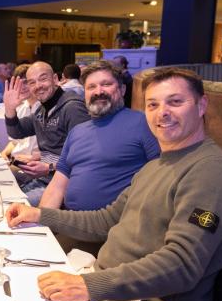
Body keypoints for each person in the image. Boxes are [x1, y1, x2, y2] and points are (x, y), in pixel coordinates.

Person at [6, 67, 222, 301]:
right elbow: (106, 219)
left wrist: (89, 285)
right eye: (153, 104)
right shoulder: (156, 166)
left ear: (202, 105)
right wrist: (41, 214)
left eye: (175, 102)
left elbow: (181, 265)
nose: (162, 112)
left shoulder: (212, 172)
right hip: (111, 291)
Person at [38, 61, 160, 252]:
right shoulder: (77, 132)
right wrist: (41, 228)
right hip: (71, 223)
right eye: (91, 87)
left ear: (122, 89)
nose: (98, 91)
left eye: (106, 84)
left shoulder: (144, 124)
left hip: (112, 234)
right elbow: (57, 187)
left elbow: (162, 179)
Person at [4, 61, 89, 206]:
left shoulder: (72, 108)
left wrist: (49, 168)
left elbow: (84, 157)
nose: (38, 86)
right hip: (44, 179)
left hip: (63, 185)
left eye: (43, 79)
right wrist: (10, 108)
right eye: (32, 82)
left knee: (11, 207)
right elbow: (16, 132)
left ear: (55, 79)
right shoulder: (42, 110)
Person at [0, 65, 40, 184]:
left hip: (34, 165)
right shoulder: (22, 108)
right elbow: (14, 142)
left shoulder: (45, 110)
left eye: (26, 82)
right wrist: (4, 153)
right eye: (18, 83)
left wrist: (36, 157)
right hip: (16, 161)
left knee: (0, 178)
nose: (21, 87)